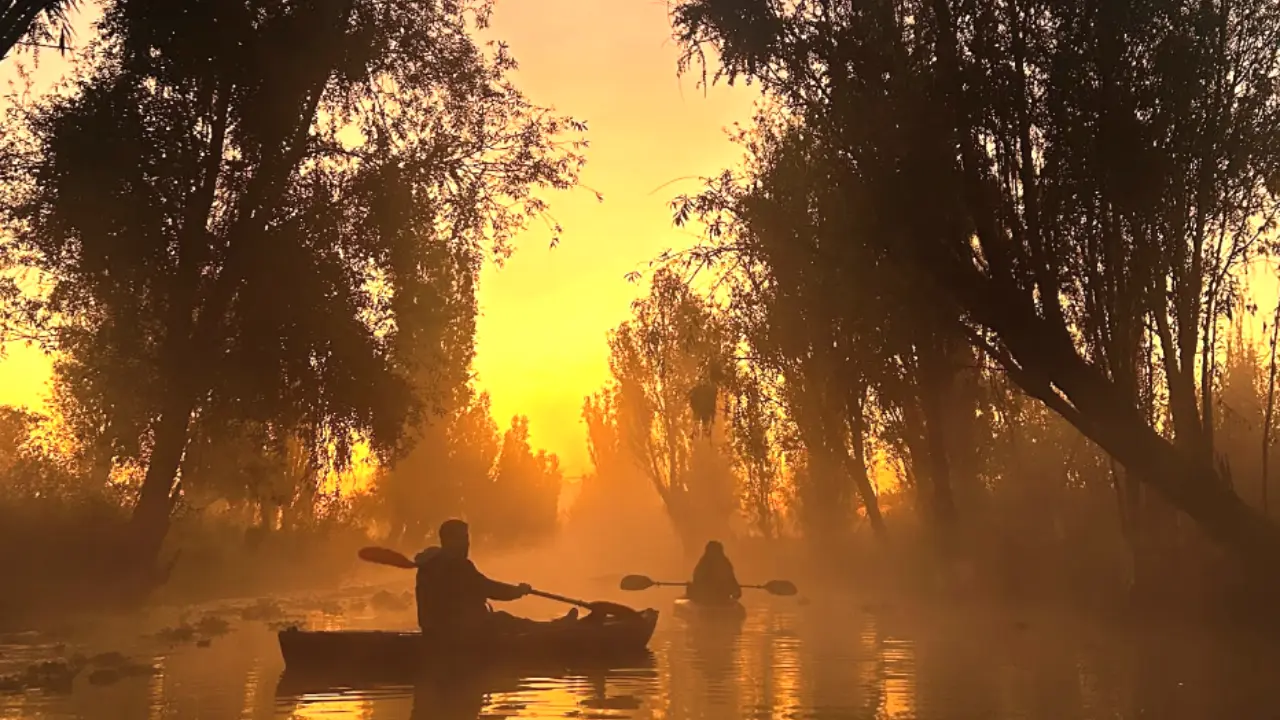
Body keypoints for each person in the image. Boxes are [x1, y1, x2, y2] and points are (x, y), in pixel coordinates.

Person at [414, 518, 576, 633]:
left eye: (467, 538)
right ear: (448, 540)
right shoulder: (456, 565)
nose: (467, 544)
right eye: (463, 538)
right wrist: (518, 591)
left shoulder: (429, 563)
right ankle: (557, 628)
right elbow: (488, 589)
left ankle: (555, 626)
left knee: (501, 620)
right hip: (459, 633)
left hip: (435, 630)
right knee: (504, 621)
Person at [686, 540, 742, 605]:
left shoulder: (703, 564)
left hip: (705, 598)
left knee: (689, 586)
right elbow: (734, 586)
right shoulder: (725, 564)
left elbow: (696, 580)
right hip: (722, 598)